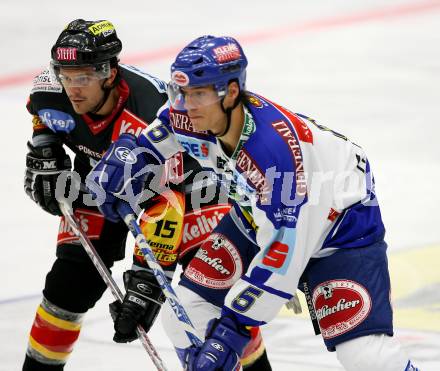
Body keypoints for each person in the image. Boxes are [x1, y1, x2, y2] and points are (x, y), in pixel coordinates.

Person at [86, 35, 421, 371]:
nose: (187, 105)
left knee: (367, 358)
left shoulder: (273, 154)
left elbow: (283, 255)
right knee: (186, 315)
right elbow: (155, 139)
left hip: (339, 222)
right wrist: (127, 161)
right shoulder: (191, 113)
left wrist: (231, 332)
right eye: (183, 93)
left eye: (199, 94)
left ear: (232, 92)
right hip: (260, 212)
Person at [23, 20, 271, 371]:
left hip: (190, 185)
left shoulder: (150, 110)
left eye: (83, 78)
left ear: (109, 74)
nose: (72, 89)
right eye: (66, 76)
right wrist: (45, 149)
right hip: (101, 178)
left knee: (212, 298)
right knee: (68, 285)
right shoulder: (52, 89)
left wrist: (147, 277)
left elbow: (166, 200)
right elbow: (43, 116)